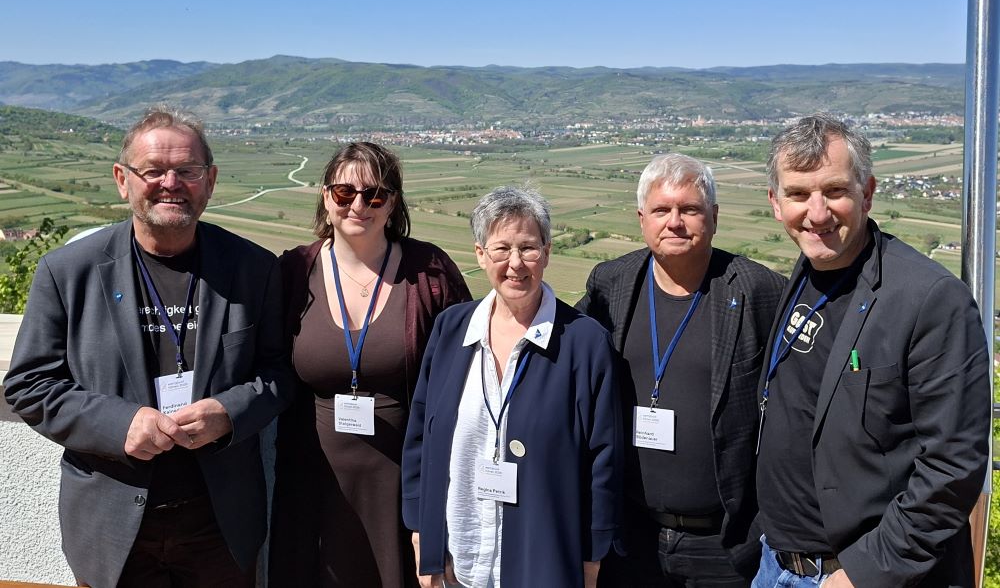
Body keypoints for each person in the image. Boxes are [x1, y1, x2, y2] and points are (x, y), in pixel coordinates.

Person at [3, 106, 292, 587]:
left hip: (219, 524)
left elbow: (279, 371)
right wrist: (121, 423)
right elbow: (30, 385)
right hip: (111, 523)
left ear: (211, 179)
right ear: (123, 179)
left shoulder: (253, 268)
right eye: (153, 171)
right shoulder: (67, 272)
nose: (170, 183)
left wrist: (228, 413)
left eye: (187, 170)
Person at [754, 114, 991, 587]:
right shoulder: (805, 272)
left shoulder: (928, 298)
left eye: (835, 191)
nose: (817, 213)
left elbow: (953, 468)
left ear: (867, 192)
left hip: (862, 576)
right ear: (775, 204)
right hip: (776, 562)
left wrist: (861, 575)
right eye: (798, 194)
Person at [268, 141, 471, 587]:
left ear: (392, 203)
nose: (358, 204)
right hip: (314, 486)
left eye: (374, 195)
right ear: (326, 197)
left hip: (404, 486)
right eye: (344, 193)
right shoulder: (293, 272)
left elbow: (465, 374)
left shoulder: (430, 273)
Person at [577, 153, 785, 587]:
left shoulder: (757, 290)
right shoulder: (611, 283)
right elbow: (560, 353)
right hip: (631, 535)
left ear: (713, 217)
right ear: (641, 218)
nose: (675, 221)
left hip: (725, 544)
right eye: (661, 210)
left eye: (689, 209)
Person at [402, 185, 623, 588]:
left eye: (529, 248)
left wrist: (591, 560)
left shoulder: (584, 343)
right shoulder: (451, 330)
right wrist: (422, 535)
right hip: (459, 563)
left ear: (548, 252)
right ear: (480, 254)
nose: (516, 264)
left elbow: (603, 460)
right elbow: (421, 436)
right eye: (501, 249)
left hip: (545, 562)